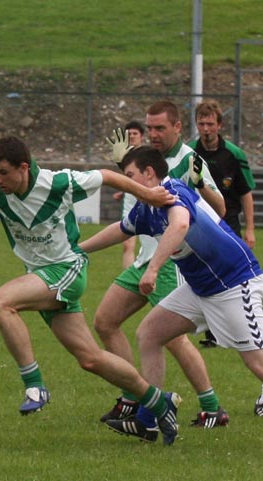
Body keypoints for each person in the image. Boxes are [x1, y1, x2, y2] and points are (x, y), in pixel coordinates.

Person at [0, 135, 181, 445]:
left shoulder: (58, 182)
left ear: (24, 167)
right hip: (41, 277)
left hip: (67, 270)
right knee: (91, 359)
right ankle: (157, 401)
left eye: (4, 172)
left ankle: (35, 385)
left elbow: (109, 176)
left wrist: (149, 195)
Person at [80, 146, 263, 437]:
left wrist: (152, 269)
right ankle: (149, 418)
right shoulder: (146, 205)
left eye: (130, 176)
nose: (127, 183)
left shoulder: (173, 190)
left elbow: (179, 224)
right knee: (150, 334)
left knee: (256, 362)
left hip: (234, 283)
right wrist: (79, 250)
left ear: (149, 173)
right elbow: (121, 229)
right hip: (201, 289)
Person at [189, 99, 256, 348]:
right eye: (201, 124)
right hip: (200, 225)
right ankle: (212, 332)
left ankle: (243, 326)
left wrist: (250, 229)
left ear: (220, 125)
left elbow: (245, 193)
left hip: (227, 224)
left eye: (210, 124)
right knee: (203, 274)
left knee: (233, 278)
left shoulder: (234, 155)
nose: (205, 129)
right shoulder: (189, 152)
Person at [111, 120, 145, 269]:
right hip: (130, 201)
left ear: (141, 136)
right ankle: (128, 279)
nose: (132, 136)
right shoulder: (124, 155)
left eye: (135, 133)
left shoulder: (147, 155)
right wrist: (123, 191)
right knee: (127, 243)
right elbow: (128, 179)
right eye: (129, 134)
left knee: (150, 243)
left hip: (146, 198)